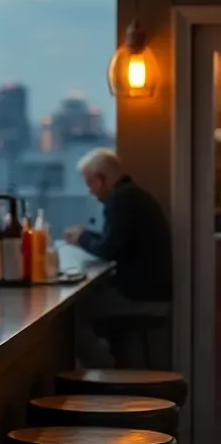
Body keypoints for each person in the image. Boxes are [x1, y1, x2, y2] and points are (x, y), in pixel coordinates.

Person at [64, 148, 172, 368]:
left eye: (90, 183)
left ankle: (103, 369)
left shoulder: (121, 200)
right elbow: (115, 240)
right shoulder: (133, 196)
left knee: (68, 317)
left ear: (103, 179)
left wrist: (83, 237)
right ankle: (116, 374)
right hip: (153, 294)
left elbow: (109, 248)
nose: (91, 191)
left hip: (138, 298)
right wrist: (86, 235)